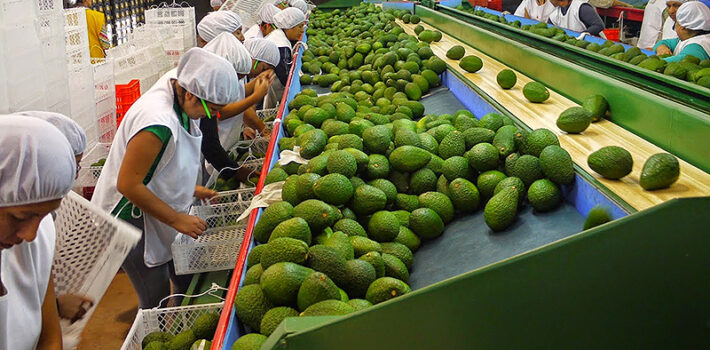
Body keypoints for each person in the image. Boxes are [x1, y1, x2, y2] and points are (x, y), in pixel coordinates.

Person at [91, 48, 240, 309]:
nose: (212, 116)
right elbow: (128, 184)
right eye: (212, 109)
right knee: (156, 296)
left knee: (181, 274)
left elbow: (160, 165)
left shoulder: (180, 84)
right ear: (192, 94)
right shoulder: (156, 122)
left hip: (150, 206)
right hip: (128, 218)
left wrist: (188, 189)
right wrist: (176, 218)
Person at [0, 115, 78, 350]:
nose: (30, 235)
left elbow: (49, 337)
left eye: (43, 216)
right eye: (20, 217)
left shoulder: (38, 237)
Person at [264, 7, 306, 107]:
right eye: (300, 26)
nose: (302, 30)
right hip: (272, 88)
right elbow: (286, 77)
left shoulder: (278, 35)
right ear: (289, 26)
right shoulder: (281, 45)